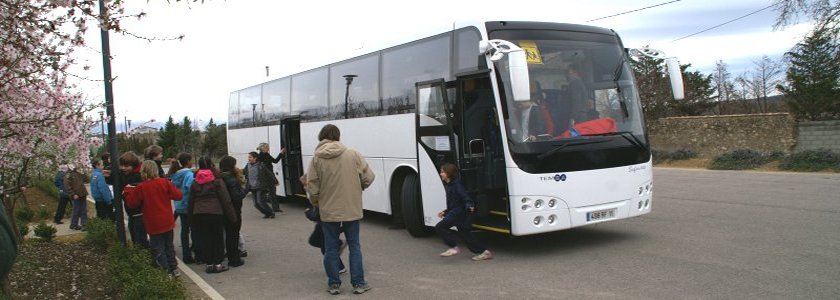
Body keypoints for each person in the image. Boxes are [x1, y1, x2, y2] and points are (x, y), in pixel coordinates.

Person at [306, 124, 375, 295]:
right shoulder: (352, 154)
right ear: (338, 136)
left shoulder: (316, 158)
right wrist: (359, 188)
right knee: (354, 246)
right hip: (351, 207)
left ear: (321, 137)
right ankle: (358, 283)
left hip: (328, 210)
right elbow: (369, 177)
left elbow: (312, 186)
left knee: (330, 248)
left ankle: (334, 284)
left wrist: (317, 202)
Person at [124, 160, 183, 278]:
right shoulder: (164, 182)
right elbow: (178, 195)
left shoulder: (141, 187)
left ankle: (165, 271)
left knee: (158, 248)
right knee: (168, 245)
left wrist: (127, 192)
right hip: (167, 220)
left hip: (153, 222)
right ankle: (174, 268)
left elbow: (132, 203)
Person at [435, 163, 493, 261]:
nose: (440, 174)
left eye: (442, 172)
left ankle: (453, 247)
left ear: (449, 173)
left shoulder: (457, 185)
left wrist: (469, 205)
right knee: (466, 234)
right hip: (457, 212)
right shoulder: (449, 185)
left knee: (440, 227)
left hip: (458, 212)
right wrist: (445, 212)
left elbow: (465, 197)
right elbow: (454, 202)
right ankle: (484, 252)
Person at [189, 156, 237, 274]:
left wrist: (191, 217)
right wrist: (232, 216)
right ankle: (218, 264)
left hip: (199, 213)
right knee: (217, 238)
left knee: (205, 238)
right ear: (211, 165)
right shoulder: (216, 180)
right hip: (215, 212)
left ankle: (209, 264)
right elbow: (225, 200)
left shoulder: (195, 181)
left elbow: (191, 201)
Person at [301, 174, 347, 274]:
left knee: (322, 245)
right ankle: (339, 264)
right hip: (325, 222)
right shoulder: (318, 193)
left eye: (305, 185)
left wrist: (308, 213)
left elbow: (316, 214)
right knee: (323, 245)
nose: (304, 187)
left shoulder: (317, 195)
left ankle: (338, 267)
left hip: (325, 222)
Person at [108, 151, 149, 248]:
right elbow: (117, 182)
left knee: (140, 239)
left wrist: (116, 174)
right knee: (135, 237)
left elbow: (125, 183)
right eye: (121, 165)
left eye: (126, 166)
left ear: (134, 165)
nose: (123, 168)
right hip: (132, 213)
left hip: (140, 213)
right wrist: (110, 176)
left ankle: (144, 256)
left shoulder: (138, 176)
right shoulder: (126, 174)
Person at [218, 156, 246, 267]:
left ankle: (230, 256)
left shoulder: (220, 177)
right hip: (233, 210)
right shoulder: (231, 179)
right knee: (233, 234)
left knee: (228, 234)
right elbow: (237, 196)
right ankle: (234, 259)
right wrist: (245, 190)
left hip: (223, 209)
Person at [170, 153, 196, 264]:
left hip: (179, 205)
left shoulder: (175, 174)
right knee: (193, 230)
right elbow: (190, 189)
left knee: (184, 231)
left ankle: (186, 253)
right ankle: (194, 252)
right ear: (188, 162)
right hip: (188, 205)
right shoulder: (188, 175)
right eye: (191, 160)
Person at [244, 152, 276, 219]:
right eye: (248, 157)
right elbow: (244, 172)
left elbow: (269, 173)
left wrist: (275, 181)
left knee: (260, 201)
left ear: (255, 158)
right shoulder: (248, 165)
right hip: (252, 187)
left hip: (260, 187)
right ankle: (266, 213)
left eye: (250, 157)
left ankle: (271, 212)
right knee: (256, 204)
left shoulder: (261, 165)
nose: (249, 158)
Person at [256, 143, 285, 212]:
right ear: (263, 148)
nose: (269, 149)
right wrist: (281, 153)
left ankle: (265, 207)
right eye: (267, 147)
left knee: (264, 193)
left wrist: (281, 153)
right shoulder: (266, 155)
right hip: (269, 176)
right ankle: (275, 208)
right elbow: (275, 161)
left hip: (264, 177)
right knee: (272, 193)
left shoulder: (259, 156)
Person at [64, 163, 88, 231]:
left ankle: (84, 224)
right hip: (76, 195)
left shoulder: (78, 172)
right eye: (76, 163)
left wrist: (84, 171)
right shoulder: (69, 174)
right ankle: (74, 224)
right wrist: (73, 194)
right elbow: (67, 185)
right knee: (76, 210)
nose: (78, 164)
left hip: (82, 193)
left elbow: (87, 179)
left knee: (84, 210)